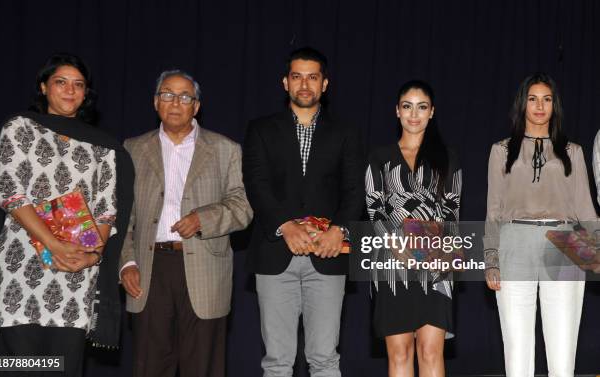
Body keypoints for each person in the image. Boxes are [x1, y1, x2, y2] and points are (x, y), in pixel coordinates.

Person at [0, 53, 134, 377]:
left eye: (78, 84)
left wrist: (92, 255)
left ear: (86, 93)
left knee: (64, 369)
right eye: (60, 82)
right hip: (21, 269)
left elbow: (107, 210)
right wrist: (53, 244)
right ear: (43, 87)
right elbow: (10, 193)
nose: (70, 90)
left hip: (76, 275)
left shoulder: (103, 147)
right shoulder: (19, 127)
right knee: (20, 368)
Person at [119, 69, 252, 377]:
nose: (175, 102)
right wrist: (126, 263)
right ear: (155, 102)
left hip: (205, 267)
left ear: (196, 106)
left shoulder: (225, 149)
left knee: (202, 366)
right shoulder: (132, 149)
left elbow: (243, 207)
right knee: (150, 365)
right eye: (167, 94)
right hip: (149, 268)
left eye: (184, 96)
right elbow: (120, 214)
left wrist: (203, 219)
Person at [242, 47, 364, 377]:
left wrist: (338, 230)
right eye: (297, 76)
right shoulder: (260, 129)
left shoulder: (346, 133)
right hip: (274, 254)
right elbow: (256, 184)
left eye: (313, 77)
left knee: (325, 357)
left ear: (325, 84)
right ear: (285, 82)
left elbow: (355, 190)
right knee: (278, 360)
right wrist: (285, 225)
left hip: (328, 256)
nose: (305, 84)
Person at [483, 73, 597, 376]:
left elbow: (586, 208)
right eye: (533, 99)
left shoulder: (573, 151)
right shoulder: (501, 151)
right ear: (523, 104)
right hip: (514, 241)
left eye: (547, 99)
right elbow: (493, 209)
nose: (539, 106)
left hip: (564, 241)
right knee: (517, 350)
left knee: (562, 351)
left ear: (554, 106)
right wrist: (491, 258)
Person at [365, 80, 462, 377]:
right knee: (400, 353)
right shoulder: (378, 157)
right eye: (407, 106)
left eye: (422, 107)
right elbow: (374, 208)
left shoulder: (448, 157)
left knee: (431, 352)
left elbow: (452, 209)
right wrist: (398, 246)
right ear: (397, 111)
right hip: (392, 263)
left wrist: (446, 253)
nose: (414, 114)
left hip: (436, 263)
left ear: (432, 112)